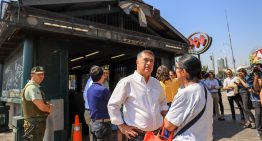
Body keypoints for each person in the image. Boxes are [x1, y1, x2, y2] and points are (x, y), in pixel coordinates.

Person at [108, 50, 168, 141]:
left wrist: (164, 114)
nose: (148, 63)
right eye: (145, 60)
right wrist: (122, 126)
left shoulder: (156, 83)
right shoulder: (127, 82)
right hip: (137, 136)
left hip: (157, 135)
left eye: (151, 61)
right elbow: (113, 105)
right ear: (137, 62)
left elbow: (163, 101)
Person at [164, 54, 213, 141]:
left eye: (176, 68)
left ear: (183, 72)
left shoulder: (185, 93)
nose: (175, 71)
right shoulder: (205, 90)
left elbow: (169, 125)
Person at [21, 66, 53, 141]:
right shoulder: (33, 88)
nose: (42, 76)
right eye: (39, 74)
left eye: (43, 74)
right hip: (35, 125)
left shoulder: (30, 87)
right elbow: (42, 107)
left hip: (34, 125)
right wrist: (49, 107)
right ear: (32, 75)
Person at [83, 65, 110, 141]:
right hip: (103, 124)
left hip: (94, 122)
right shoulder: (103, 90)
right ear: (101, 76)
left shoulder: (89, 89)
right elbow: (111, 104)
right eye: (104, 74)